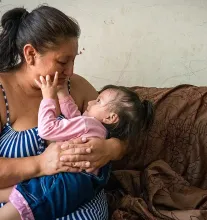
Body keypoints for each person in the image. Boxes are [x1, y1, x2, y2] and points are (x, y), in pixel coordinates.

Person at [0, 5, 128, 220]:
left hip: (81, 203)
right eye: (62, 61)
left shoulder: (73, 87)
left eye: (73, 60)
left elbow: (124, 131)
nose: (70, 71)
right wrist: (41, 164)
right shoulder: (2, 93)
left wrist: (110, 148)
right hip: (19, 208)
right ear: (30, 54)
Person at [0, 71, 154, 219]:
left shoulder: (88, 124)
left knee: (30, 200)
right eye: (63, 60)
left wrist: (48, 98)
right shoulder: (97, 129)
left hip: (67, 181)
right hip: (83, 183)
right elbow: (74, 118)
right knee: (32, 193)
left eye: (98, 101)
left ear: (111, 117)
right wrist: (63, 93)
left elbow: (47, 129)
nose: (91, 101)